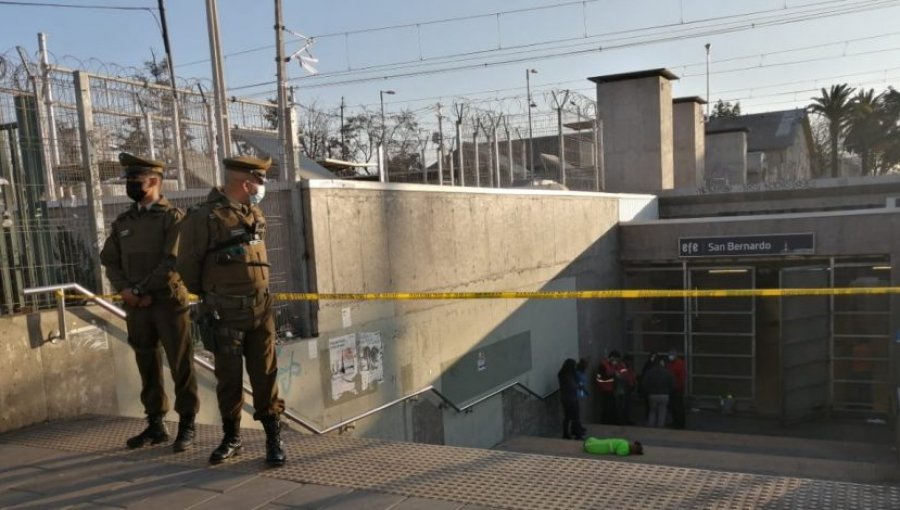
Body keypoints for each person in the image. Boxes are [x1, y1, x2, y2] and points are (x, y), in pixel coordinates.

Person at [176, 155, 286, 466]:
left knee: (266, 376)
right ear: (246, 182)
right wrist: (215, 294)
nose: (262, 187)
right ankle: (232, 438)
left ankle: (273, 439)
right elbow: (187, 267)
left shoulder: (254, 212)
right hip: (225, 312)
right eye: (260, 181)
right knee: (229, 378)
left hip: (261, 309)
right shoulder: (203, 217)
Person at [99, 153, 199, 452]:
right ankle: (156, 424)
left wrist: (141, 289)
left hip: (167, 303)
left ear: (154, 181)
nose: (130, 185)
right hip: (136, 305)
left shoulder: (173, 218)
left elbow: (173, 261)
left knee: (181, 364)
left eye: (136, 180)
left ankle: (187, 424)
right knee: (147, 362)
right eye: (128, 180)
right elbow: (110, 260)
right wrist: (126, 290)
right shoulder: (124, 221)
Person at [642, 357, 674, 428]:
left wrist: (648, 392)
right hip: (664, 394)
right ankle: (660, 427)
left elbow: (644, 384)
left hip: (652, 394)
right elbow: (671, 384)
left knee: (652, 412)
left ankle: (651, 426)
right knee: (662, 412)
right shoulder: (667, 372)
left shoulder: (649, 372)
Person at [558, 358, 584, 440]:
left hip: (566, 397)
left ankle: (568, 433)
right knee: (574, 417)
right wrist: (578, 386)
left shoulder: (564, 373)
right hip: (570, 398)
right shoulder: (566, 375)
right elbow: (572, 385)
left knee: (568, 417)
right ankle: (577, 434)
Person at [667, 350, 687, 429]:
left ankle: (679, 423)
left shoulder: (678, 364)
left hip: (676, 388)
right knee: (674, 406)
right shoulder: (671, 364)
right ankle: (676, 422)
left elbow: (680, 377)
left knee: (678, 406)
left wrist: (678, 386)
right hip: (673, 388)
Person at [595, 354, 616, 424]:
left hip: (610, 388)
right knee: (606, 406)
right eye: (613, 359)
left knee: (609, 405)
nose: (614, 361)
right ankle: (605, 420)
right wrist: (613, 376)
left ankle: (609, 420)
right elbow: (602, 378)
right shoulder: (603, 366)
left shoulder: (610, 365)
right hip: (605, 388)